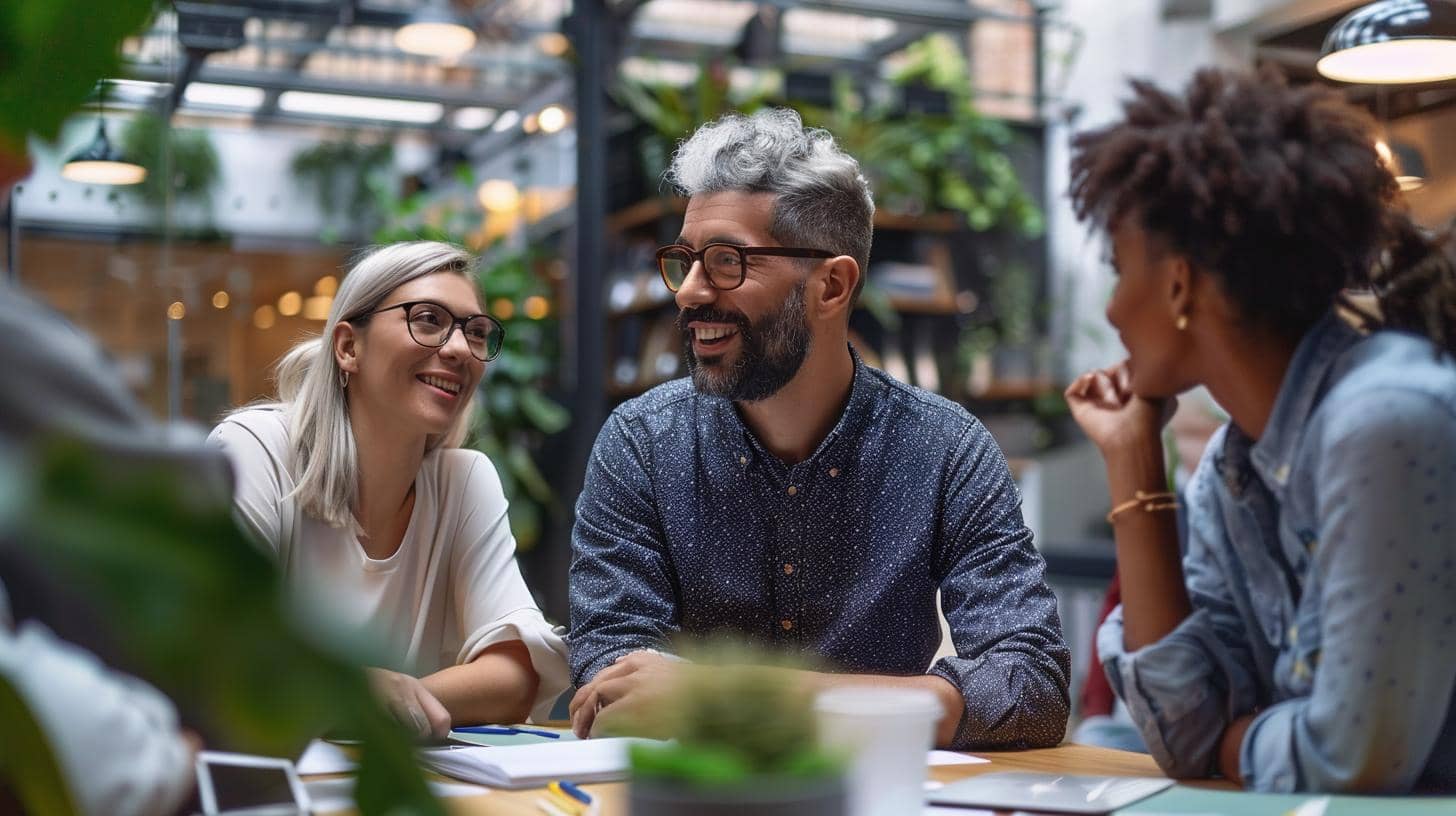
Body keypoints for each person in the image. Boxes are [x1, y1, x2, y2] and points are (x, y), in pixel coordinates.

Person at [568, 108, 1070, 749]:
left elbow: (1031, 687)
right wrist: (900, 705)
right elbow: (610, 682)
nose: (689, 292)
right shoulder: (641, 444)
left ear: (830, 286)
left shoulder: (944, 448)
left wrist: (727, 694)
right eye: (684, 260)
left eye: (725, 261)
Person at [1064, 67, 1456, 793]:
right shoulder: (1231, 466)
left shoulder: (1388, 420)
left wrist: (1233, 742)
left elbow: (1350, 760)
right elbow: (1185, 734)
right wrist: (1134, 462)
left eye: (1121, 272)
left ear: (1180, 285)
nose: (1114, 312)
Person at [209, 242, 569, 738]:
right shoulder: (254, 451)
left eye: (476, 331)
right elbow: (222, 662)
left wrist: (381, 696)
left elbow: (513, 678)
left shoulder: (463, 481)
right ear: (348, 347)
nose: (461, 349)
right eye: (427, 319)